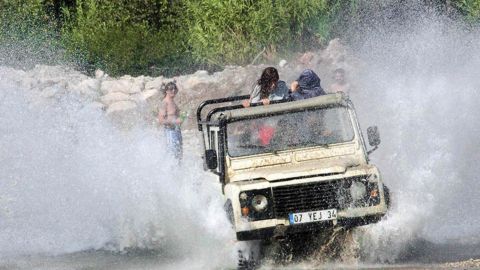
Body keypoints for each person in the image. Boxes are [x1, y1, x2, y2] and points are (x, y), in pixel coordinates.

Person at [158, 81, 183, 161]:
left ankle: (179, 172)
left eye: (174, 88)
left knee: (179, 154)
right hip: (170, 132)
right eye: (170, 89)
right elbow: (161, 120)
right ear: (166, 91)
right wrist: (175, 121)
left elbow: (175, 116)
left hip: (177, 130)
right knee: (172, 155)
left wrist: (183, 117)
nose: (173, 90)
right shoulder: (164, 103)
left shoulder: (173, 101)